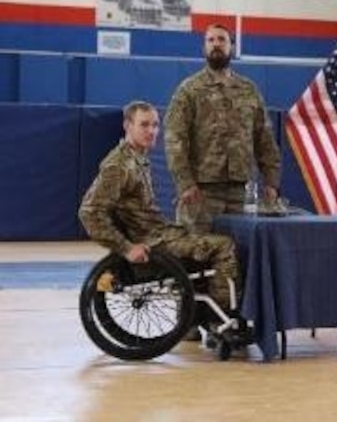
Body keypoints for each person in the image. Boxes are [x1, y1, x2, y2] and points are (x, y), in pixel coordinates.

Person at [78, 101, 239, 318]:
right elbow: (89, 212)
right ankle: (221, 317)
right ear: (127, 125)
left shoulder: (137, 158)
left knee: (202, 231)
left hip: (159, 234)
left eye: (155, 125)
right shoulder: (119, 165)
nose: (152, 131)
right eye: (144, 125)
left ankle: (192, 320)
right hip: (154, 242)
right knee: (225, 246)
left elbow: (134, 209)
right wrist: (126, 248)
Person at [164, 24, 282, 233]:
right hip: (201, 192)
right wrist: (185, 184)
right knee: (195, 255)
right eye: (211, 40)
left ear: (232, 47)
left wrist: (272, 182)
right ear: (204, 48)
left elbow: (265, 139)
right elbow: (175, 140)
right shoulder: (189, 90)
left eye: (222, 39)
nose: (216, 44)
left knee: (241, 257)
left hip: (242, 192)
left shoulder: (249, 90)